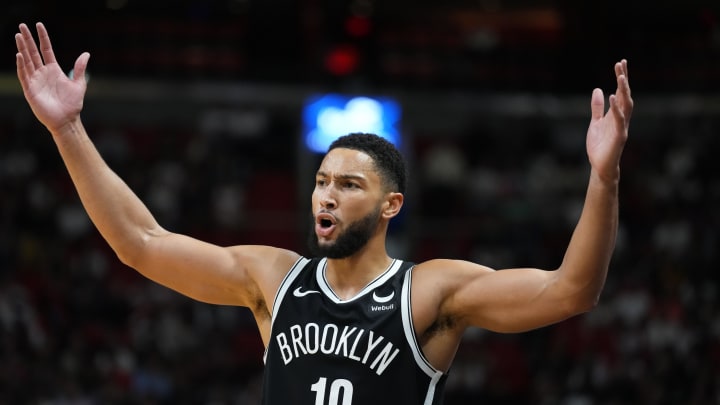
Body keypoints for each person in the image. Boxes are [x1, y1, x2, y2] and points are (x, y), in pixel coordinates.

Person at [15, 21, 632, 405]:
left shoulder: (431, 291)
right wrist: (68, 130)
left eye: (348, 184)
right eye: (320, 181)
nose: (326, 195)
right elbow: (140, 242)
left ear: (392, 204)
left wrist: (603, 179)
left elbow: (571, 291)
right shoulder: (273, 280)